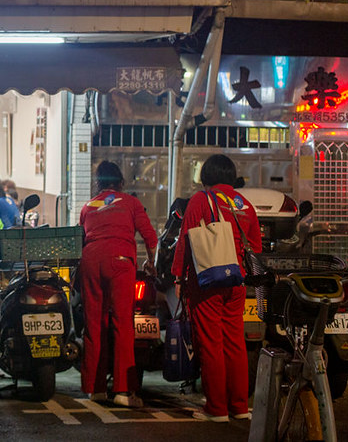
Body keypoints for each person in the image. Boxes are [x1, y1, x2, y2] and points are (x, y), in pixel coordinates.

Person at [171, 154, 262, 422]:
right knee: (235, 344)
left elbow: (185, 241)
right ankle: (238, 406)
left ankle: (216, 408)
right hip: (236, 282)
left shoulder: (202, 199)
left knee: (211, 344)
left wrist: (179, 277)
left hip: (207, 280)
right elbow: (255, 246)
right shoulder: (243, 204)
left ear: (207, 175)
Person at [78, 161, 158, 408]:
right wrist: (150, 263)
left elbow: (80, 237)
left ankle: (95, 389)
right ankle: (123, 391)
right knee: (123, 324)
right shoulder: (131, 203)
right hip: (120, 262)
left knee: (94, 325)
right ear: (120, 182)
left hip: (90, 261)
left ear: (98, 183)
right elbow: (151, 237)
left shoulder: (88, 206)